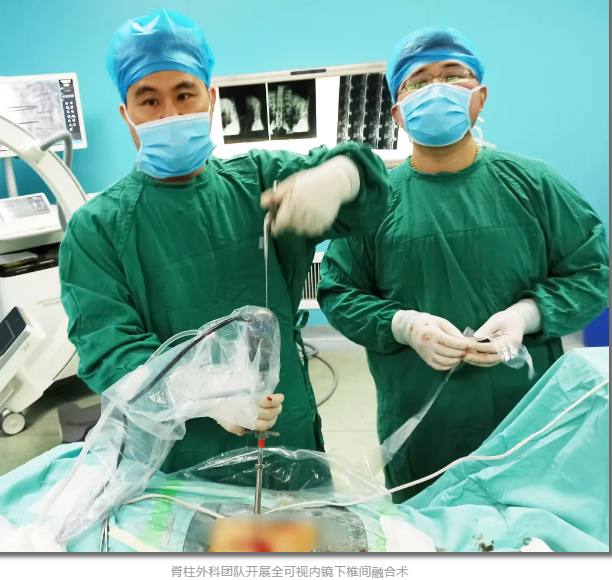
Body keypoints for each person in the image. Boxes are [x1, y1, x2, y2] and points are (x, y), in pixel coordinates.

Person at [58, 9, 390, 478]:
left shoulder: (261, 180)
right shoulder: (98, 227)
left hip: (283, 421)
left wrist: (343, 175)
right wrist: (200, 394)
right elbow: (108, 348)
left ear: (211, 100)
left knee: (302, 521)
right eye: (149, 100)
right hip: (177, 447)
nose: (170, 114)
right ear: (126, 114)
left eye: (185, 94)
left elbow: (371, 196)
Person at [317, 25, 609, 502]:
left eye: (454, 76)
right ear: (397, 113)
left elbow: (593, 273)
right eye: (417, 82)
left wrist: (526, 315)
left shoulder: (534, 184)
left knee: (531, 521)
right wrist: (403, 325)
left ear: (480, 97)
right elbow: (339, 292)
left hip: (529, 412)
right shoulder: (375, 204)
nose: (436, 89)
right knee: (429, 521)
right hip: (422, 423)